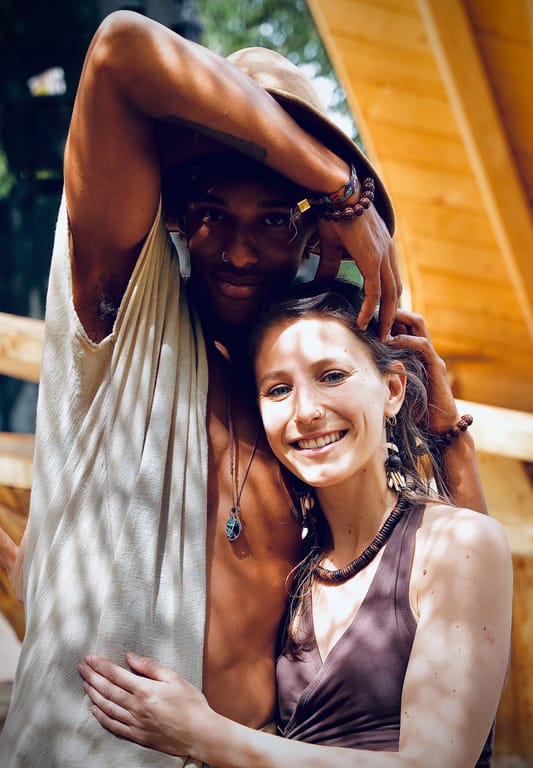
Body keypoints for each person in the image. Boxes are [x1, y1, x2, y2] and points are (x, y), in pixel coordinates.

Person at [0, 10, 486, 766]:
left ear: (312, 236)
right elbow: (121, 50)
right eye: (211, 213)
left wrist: (446, 428)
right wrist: (338, 187)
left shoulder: (297, 407)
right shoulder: (127, 318)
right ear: (176, 214)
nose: (238, 250)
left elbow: (458, 590)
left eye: (273, 219)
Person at [78, 280, 512, 767]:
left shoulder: (457, 543)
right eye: (279, 389)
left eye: (332, 376)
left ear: (392, 389)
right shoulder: (296, 565)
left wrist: (202, 733)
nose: (306, 412)